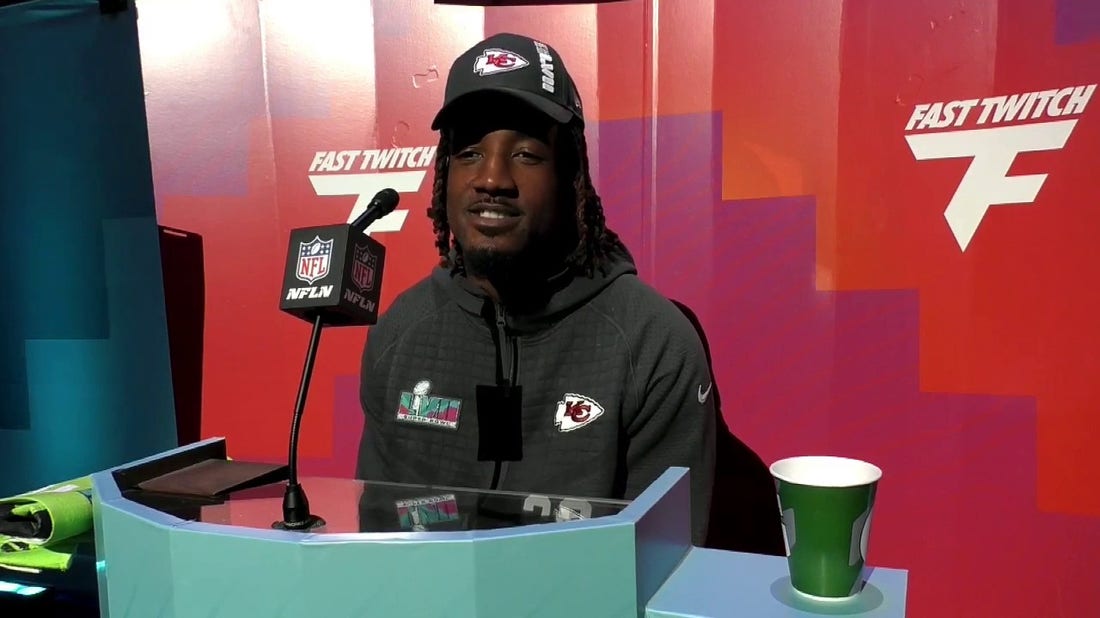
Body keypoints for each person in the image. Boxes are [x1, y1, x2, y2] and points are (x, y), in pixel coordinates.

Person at [356, 32, 716, 544]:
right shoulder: (402, 332)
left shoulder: (652, 343)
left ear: (570, 173)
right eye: (470, 153)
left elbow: (661, 568)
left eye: (525, 154)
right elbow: (381, 544)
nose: (493, 179)